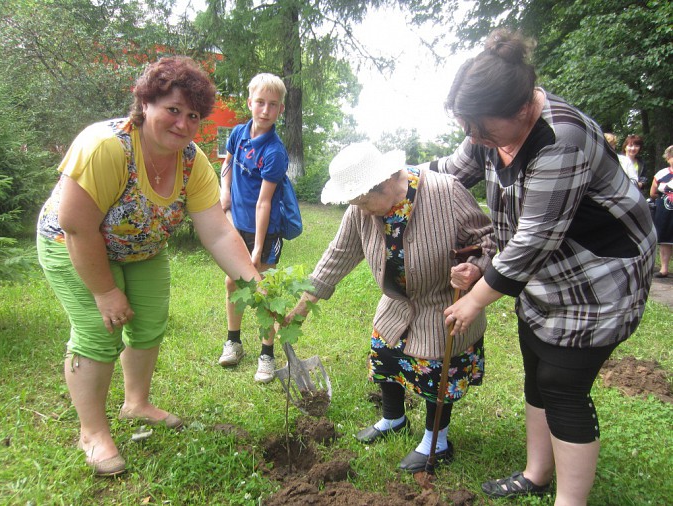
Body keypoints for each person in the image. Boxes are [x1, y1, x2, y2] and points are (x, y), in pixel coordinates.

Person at [428, 29, 655, 505]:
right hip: (546, 276)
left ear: (522, 109)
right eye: (469, 128)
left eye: (483, 130)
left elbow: (533, 241)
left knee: (562, 384)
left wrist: (474, 299)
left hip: (602, 276)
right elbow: (451, 173)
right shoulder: (488, 129)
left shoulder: (561, 138)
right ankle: (535, 474)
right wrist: (400, 181)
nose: (476, 139)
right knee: (536, 366)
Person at [37, 57, 264, 476]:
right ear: (145, 104)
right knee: (98, 329)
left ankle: (136, 404)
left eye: (193, 115)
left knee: (150, 321)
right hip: (73, 243)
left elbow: (216, 231)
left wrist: (255, 283)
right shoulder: (106, 146)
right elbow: (76, 227)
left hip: (142, 247)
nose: (182, 123)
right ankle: (92, 431)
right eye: (172, 110)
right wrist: (106, 291)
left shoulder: (193, 162)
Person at [286, 142, 496, 472]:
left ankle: (436, 441)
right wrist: (302, 305)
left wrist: (477, 269)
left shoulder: (445, 191)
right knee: (385, 352)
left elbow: (489, 239)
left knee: (435, 371)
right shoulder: (361, 208)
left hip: (442, 303)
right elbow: (338, 255)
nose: (362, 211)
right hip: (397, 303)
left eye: (365, 202)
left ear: (385, 184)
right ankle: (393, 419)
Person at [217, 73, 290, 383]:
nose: (264, 110)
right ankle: (233, 341)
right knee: (233, 283)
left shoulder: (275, 152)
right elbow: (227, 166)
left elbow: (264, 203)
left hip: (265, 230)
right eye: (260, 102)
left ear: (280, 110)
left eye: (272, 105)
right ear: (250, 103)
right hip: (236, 225)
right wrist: (224, 194)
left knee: (264, 289)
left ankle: (267, 354)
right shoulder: (238, 133)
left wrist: (258, 247)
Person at [649, 145, 673, 278]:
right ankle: (664, 268)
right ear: (668, 158)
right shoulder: (661, 174)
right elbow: (653, 193)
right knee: (665, 238)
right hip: (665, 210)